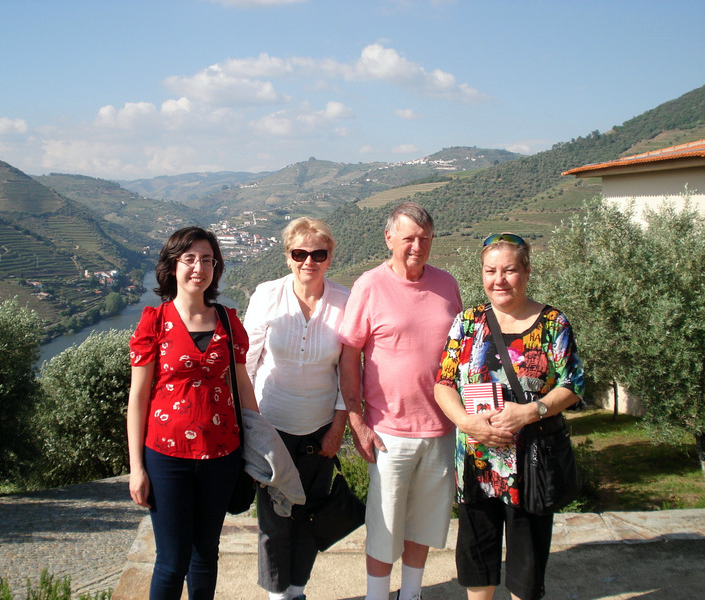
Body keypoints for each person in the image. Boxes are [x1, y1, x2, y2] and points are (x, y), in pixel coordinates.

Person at [434, 232, 585, 600]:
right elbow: (443, 382)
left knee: (527, 566)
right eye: (490, 271)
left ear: (527, 271)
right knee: (477, 560)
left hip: (531, 462)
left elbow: (574, 383)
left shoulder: (553, 323)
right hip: (476, 461)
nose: (498, 279)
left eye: (509, 270)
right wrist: (466, 423)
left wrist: (531, 411)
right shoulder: (468, 322)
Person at [127, 226, 260, 600]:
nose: (198, 267)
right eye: (189, 259)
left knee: (206, 555)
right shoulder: (154, 322)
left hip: (222, 456)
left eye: (207, 260)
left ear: (216, 268)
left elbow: (243, 386)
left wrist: (259, 443)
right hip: (166, 459)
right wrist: (137, 468)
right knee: (172, 560)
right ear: (173, 266)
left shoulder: (228, 322)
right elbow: (138, 398)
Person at [338, 202, 463, 600]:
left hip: (441, 428)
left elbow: (462, 354)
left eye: (425, 239)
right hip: (388, 431)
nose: (417, 246)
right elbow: (348, 357)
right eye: (408, 238)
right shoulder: (369, 285)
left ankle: (411, 594)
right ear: (389, 238)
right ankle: (377, 596)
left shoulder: (447, 285)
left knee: (423, 524)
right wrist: (356, 421)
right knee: (385, 526)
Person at [244, 217, 350, 600]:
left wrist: (339, 427)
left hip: (320, 429)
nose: (309, 261)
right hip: (271, 425)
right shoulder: (267, 295)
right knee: (274, 519)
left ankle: (297, 590)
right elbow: (246, 364)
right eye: (300, 253)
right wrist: (252, 426)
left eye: (318, 253)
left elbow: (348, 373)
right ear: (288, 257)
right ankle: (277, 595)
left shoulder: (346, 301)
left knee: (310, 515)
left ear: (330, 257)